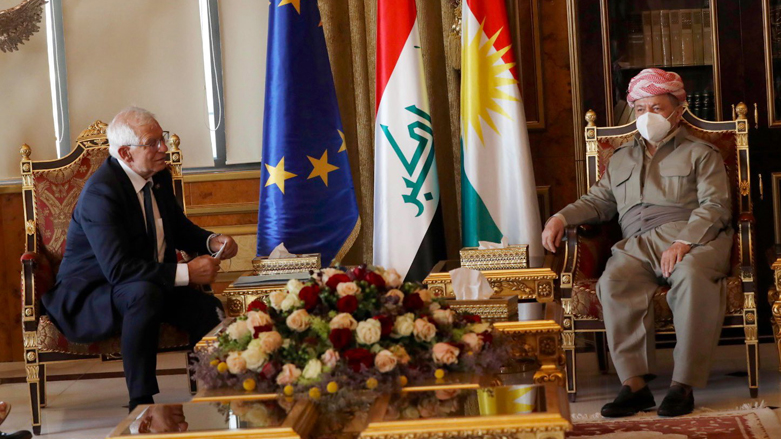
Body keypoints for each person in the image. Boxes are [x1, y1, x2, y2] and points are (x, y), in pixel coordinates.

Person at [542, 68, 732, 417]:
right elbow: (598, 202)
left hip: (692, 236)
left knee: (690, 277)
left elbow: (716, 206)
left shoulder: (701, 153)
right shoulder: (620, 158)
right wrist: (561, 217)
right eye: (640, 109)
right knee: (614, 281)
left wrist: (683, 242)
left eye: (656, 108)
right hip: (636, 243)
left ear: (678, 109)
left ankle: (682, 386)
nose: (647, 116)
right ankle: (634, 385)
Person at [42, 107, 238, 412]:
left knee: (207, 308)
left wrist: (212, 241)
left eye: (164, 138)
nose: (164, 148)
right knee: (142, 294)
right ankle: (141, 402)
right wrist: (187, 273)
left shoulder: (157, 177)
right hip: (93, 293)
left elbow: (180, 228)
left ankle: (215, 391)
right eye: (154, 142)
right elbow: (119, 269)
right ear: (125, 153)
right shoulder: (101, 193)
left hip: (148, 281)